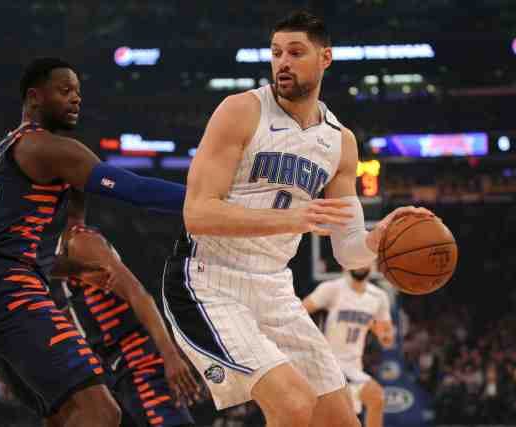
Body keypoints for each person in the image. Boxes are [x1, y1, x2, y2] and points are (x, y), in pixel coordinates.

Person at [162, 11, 434, 427]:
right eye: (276, 53)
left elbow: (348, 252)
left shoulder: (340, 142)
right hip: (208, 280)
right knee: (293, 405)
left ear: (325, 57)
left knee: (341, 420)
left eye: (295, 52)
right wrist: (293, 218)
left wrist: (379, 236)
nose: (282, 63)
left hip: (274, 288)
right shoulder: (241, 111)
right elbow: (197, 214)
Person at [0, 57, 195, 427]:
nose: (76, 99)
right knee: (102, 413)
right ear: (34, 97)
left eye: (78, 92)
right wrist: (203, 201)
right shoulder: (47, 147)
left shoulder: (1, 152)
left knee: (64, 417)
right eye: (65, 90)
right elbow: (134, 189)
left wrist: (72, 269)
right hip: (12, 294)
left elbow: (11, 247)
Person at [53, 224, 196, 427]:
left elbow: (138, 293)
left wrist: (170, 355)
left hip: (139, 364)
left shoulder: (80, 242)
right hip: (120, 372)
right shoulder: (66, 254)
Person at [303, 267, 394, 427]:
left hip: (354, 366)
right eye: (355, 260)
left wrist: (383, 335)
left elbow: (387, 336)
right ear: (345, 263)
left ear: (372, 264)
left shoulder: (379, 296)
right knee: (376, 397)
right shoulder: (332, 288)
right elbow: (299, 312)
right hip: (329, 364)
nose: (359, 265)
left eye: (363, 260)